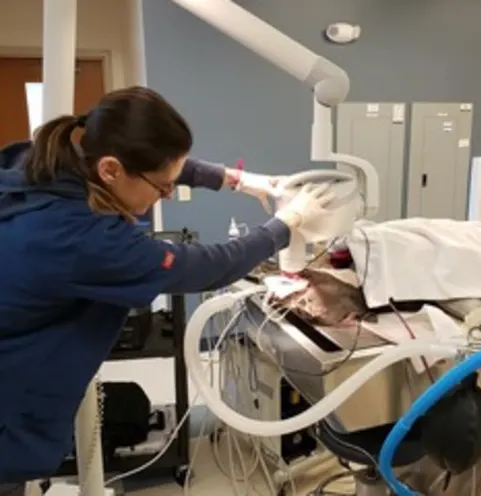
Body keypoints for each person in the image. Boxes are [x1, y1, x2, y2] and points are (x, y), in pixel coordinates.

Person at [0, 86, 333, 490]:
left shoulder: (42, 161)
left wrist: (240, 181)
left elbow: (160, 164)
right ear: (109, 170)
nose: (169, 193)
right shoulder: (80, 239)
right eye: (162, 188)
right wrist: (285, 225)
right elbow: (207, 267)